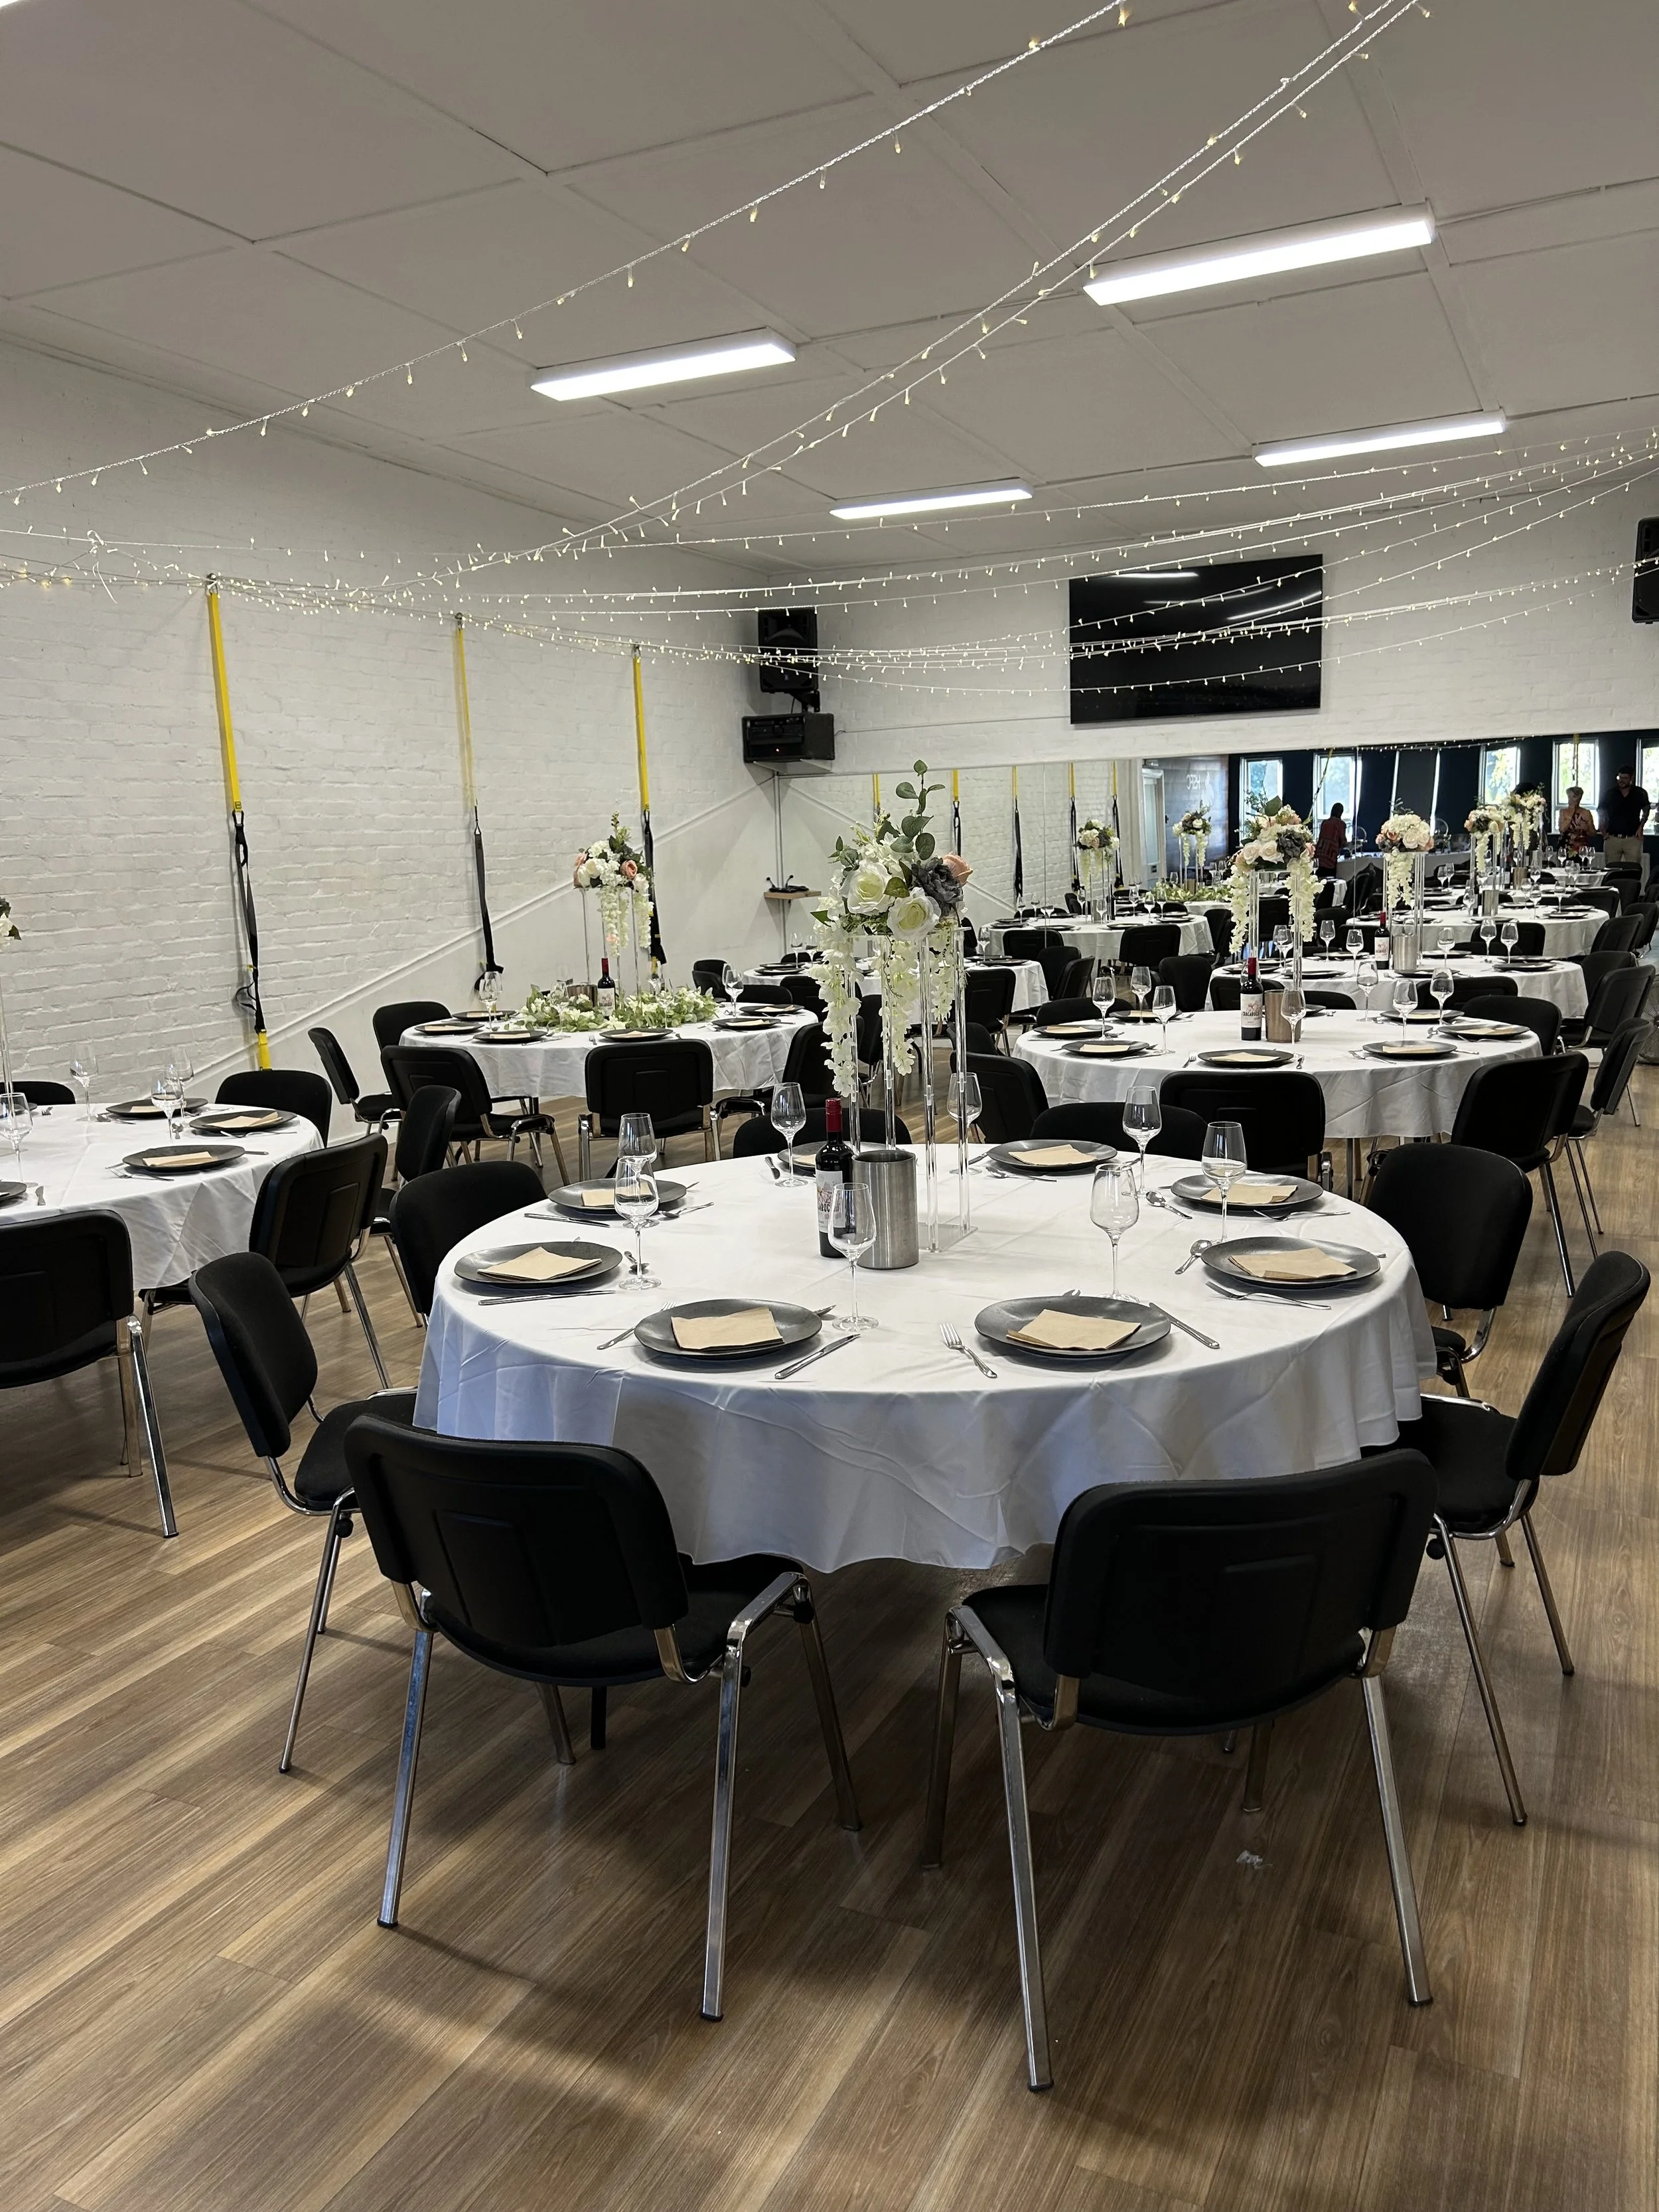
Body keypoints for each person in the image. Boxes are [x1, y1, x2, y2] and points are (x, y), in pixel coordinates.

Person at [1598, 765, 1650, 877]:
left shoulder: (1640, 793)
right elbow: (1601, 810)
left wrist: (1641, 827)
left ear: (1631, 778)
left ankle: (1632, 888)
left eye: (1625, 778)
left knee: (1633, 870)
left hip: (1633, 838)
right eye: (1619, 778)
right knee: (1611, 871)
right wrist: (1602, 828)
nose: (1621, 781)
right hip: (1612, 837)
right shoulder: (1610, 793)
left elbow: (1646, 810)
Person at [1558, 785, 1596, 854]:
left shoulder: (1586, 813)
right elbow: (1562, 830)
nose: (1570, 800)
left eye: (1574, 797)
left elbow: (1593, 833)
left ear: (1579, 798)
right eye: (1569, 797)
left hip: (1582, 848)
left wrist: (1587, 828)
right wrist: (1571, 813)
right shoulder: (1563, 812)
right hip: (1566, 847)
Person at [1313, 801, 1348, 875]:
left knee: (1319, 878)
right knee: (1329, 878)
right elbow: (1343, 841)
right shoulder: (1341, 824)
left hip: (1319, 854)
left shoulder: (1325, 822)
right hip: (1331, 856)